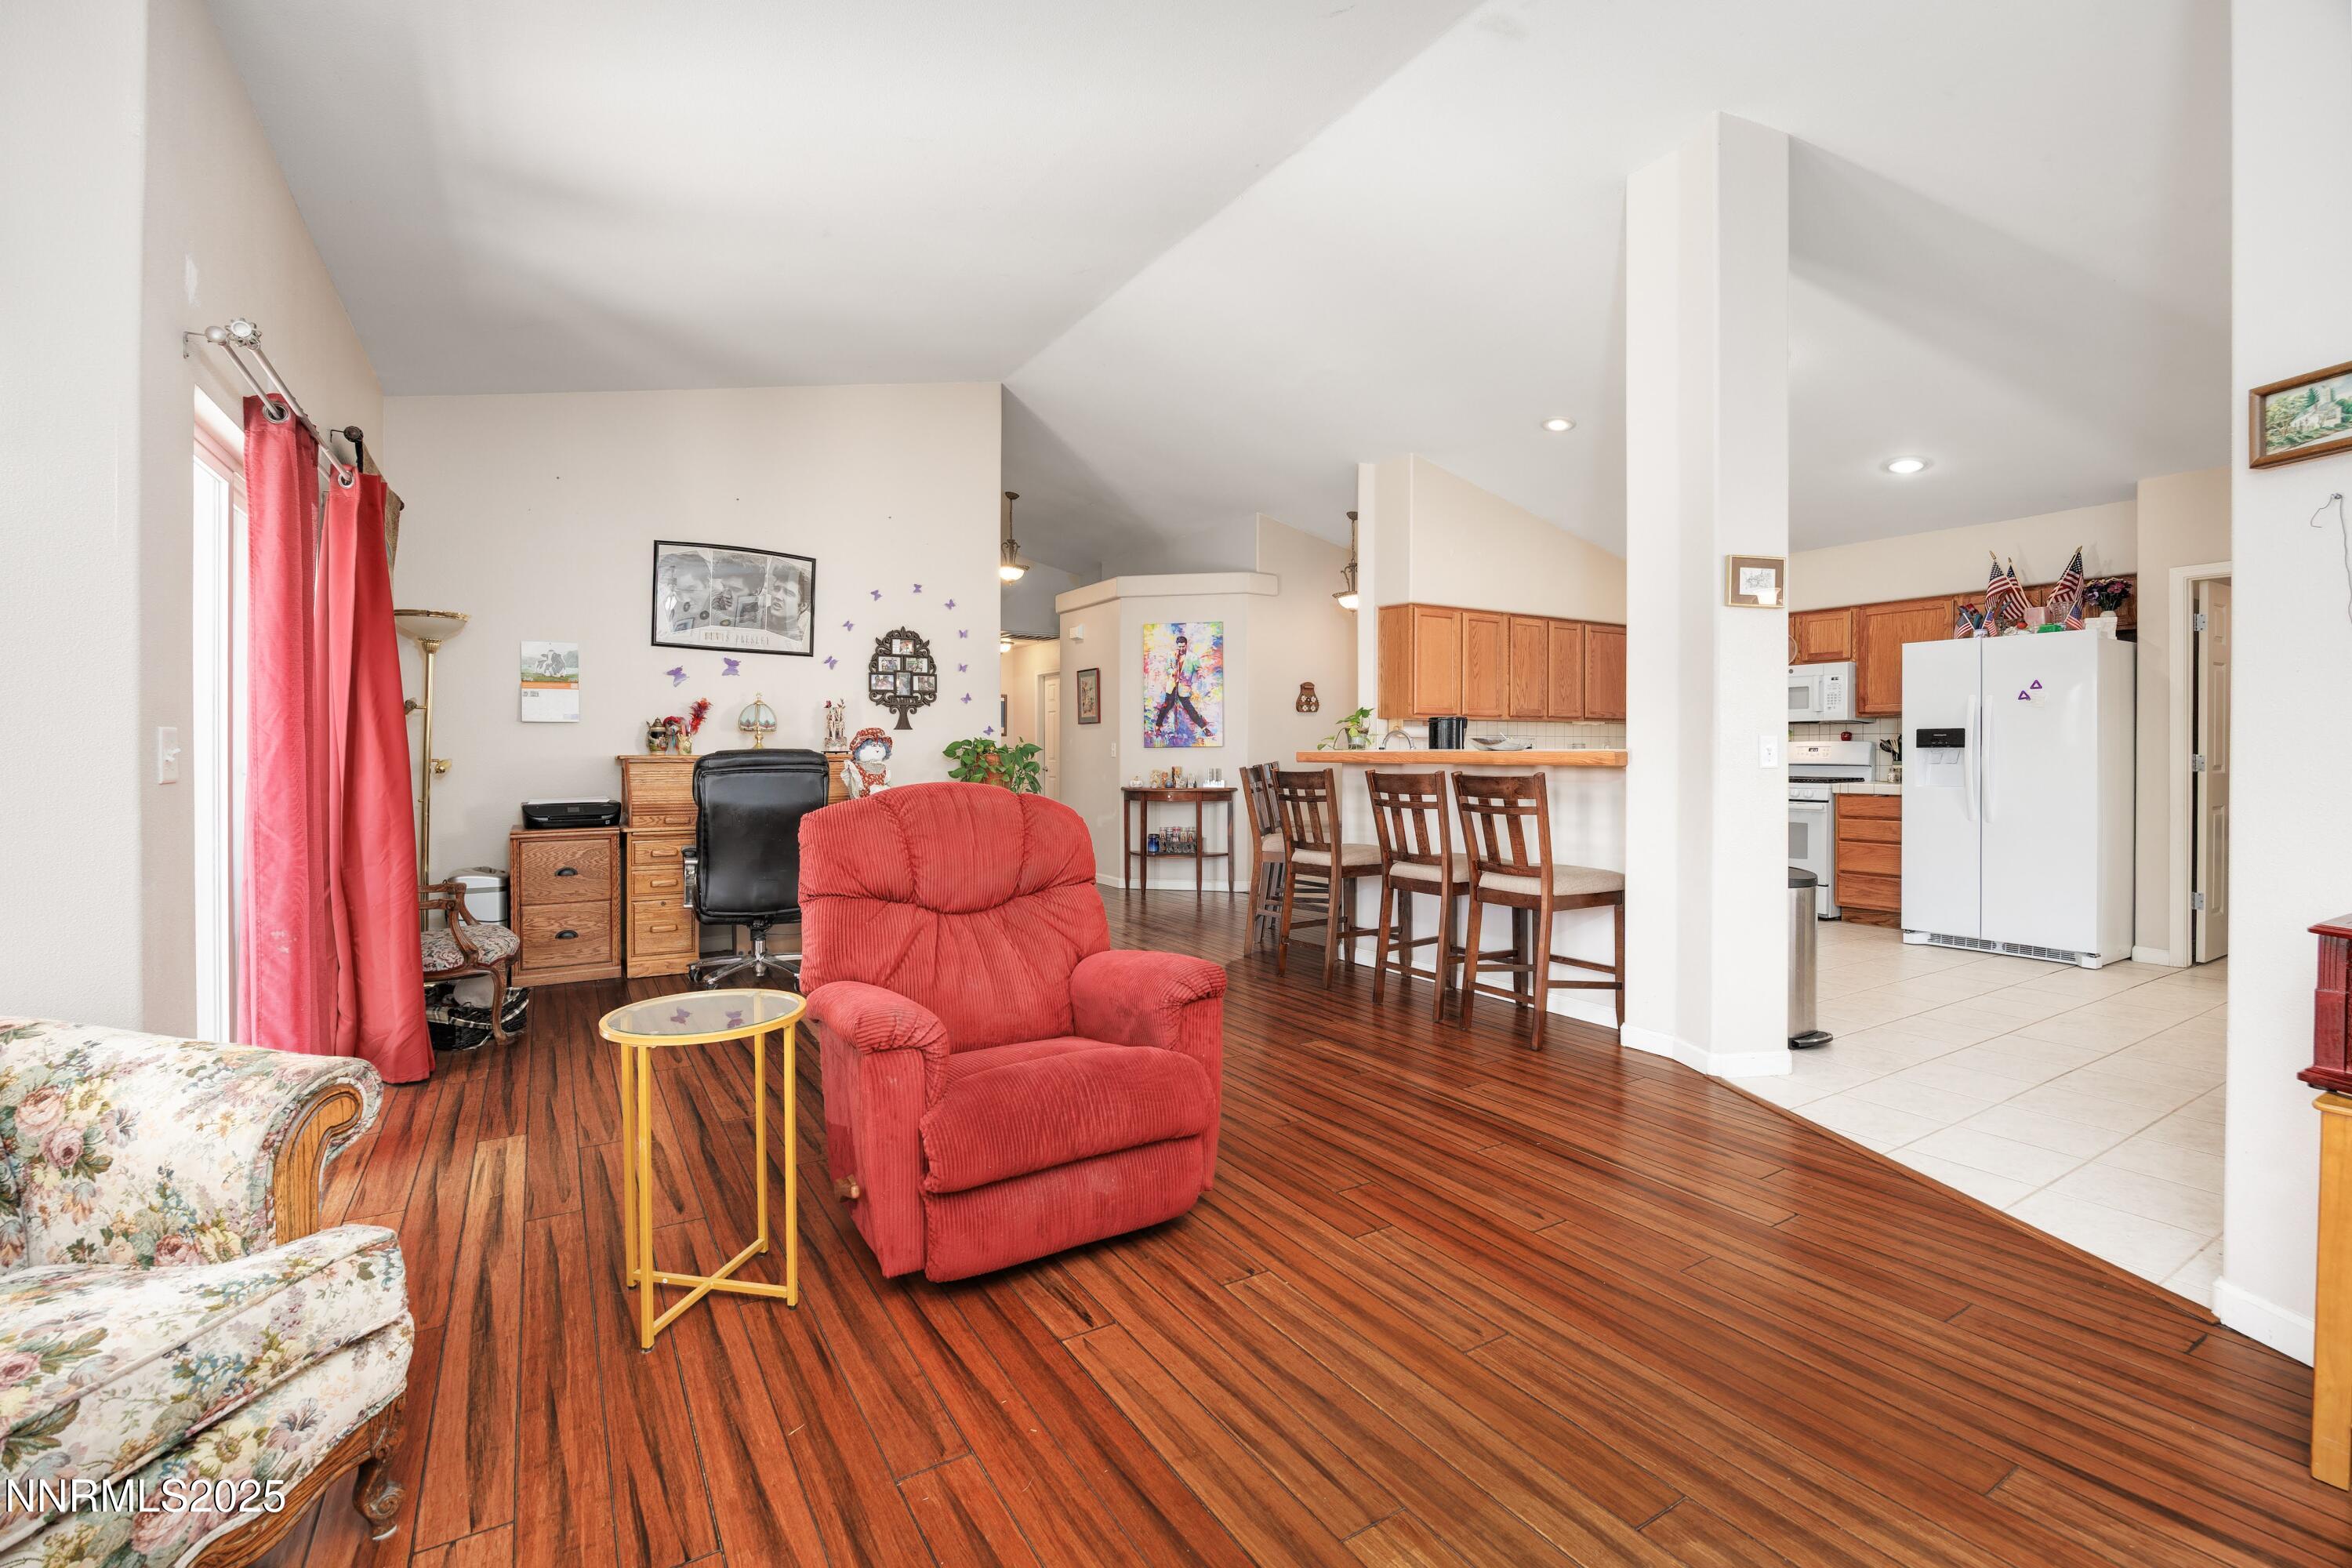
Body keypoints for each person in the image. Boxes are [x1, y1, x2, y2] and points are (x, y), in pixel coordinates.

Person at [1152, 632, 1210, 737]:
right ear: (1177, 646)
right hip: (1172, 686)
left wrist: (1200, 674)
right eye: (1179, 647)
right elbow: (1167, 668)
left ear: (1186, 645)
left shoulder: (1193, 657)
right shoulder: (1171, 655)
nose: (1181, 649)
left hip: (1184, 688)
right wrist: (1172, 671)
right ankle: (1157, 726)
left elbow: (1199, 669)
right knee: (1166, 706)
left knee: (1190, 709)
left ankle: (1204, 728)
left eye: (1183, 646)